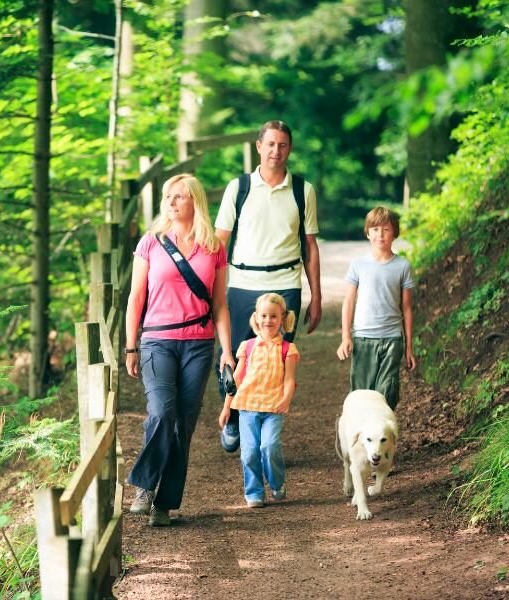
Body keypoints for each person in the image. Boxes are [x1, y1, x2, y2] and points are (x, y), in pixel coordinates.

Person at [125, 173, 234, 527]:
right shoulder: (151, 243)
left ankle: (165, 504)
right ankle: (144, 486)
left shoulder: (214, 247)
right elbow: (135, 298)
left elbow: (220, 305)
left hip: (199, 346)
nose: (172, 202)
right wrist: (130, 346)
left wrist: (227, 352)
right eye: (168, 196)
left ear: (195, 202)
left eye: (180, 197)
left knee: (183, 425)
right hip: (157, 341)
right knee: (161, 412)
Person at [214, 119, 321, 452]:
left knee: (275, 362)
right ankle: (232, 417)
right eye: (270, 144)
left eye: (283, 145)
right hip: (243, 283)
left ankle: (263, 431)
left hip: (286, 283)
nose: (276, 151)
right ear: (259, 147)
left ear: (290, 149)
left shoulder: (303, 190)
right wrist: (211, 291)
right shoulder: (239, 188)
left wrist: (316, 296)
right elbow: (220, 241)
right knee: (233, 356)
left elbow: (310, 246)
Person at [218, 293, 299, 507]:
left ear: (282, 318)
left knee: (269, 446)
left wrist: (286, 399)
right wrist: (227, 408)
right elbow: (235, 379)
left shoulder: (287, 349)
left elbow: (290, 380)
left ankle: (276, 482)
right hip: (247, 407)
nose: (268, 320)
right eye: (263, 315)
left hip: (273, 407)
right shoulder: (248, 346)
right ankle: (254, 492)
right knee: (250, 451)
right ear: (256, 318)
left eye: (273, 316)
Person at [336, 206, 416, 410]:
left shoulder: (402, 266)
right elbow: (348, 301)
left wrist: (408, 347)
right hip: (363, 338)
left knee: (387, 392)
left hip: (392, 339)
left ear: (394, 233)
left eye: (386, 229)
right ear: (368, 232)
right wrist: (346, 337)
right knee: (362, 393)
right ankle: (360, 437)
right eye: (375, 229)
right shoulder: (358, 264)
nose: (380, 234)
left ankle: (383, 438)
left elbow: (406, 308)